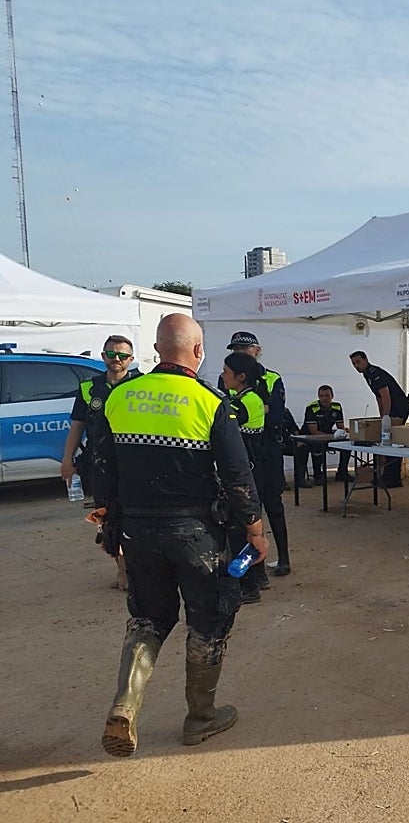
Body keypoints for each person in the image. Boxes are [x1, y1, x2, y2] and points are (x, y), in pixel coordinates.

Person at [89, 314, 267, 757]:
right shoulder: (210, 402)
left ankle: (125, 707)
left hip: (138, 531)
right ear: (199, 351)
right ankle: (200, 719)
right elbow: (237, 475)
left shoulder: (120, 397)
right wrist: (256, 530)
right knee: (208, 621)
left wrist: (108, 514)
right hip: (196, 533)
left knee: (148, 619)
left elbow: (101, 464)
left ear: (155, 349)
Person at [60, 334, 140, 590]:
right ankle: (123, 569)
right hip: (101, 463)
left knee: (139, 516)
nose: (116, 359)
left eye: (122, 355)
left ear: (131, 358)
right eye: (111, 354)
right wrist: (67, 460)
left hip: (136, 461)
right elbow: (77, 426)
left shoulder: (141, 385)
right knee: (108, 518)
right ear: (103, 356)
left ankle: (142, 569)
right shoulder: (89, 388)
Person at [219, 331, 292, 577]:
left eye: (244, 348)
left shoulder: (271, 378)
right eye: (235, 349)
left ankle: (283, 558)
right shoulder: (228, 376)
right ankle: (254, 571)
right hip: (242, 449)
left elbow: (276, 413)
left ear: (257, 351)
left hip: (268, 448)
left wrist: (254, 407)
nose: (239, 353)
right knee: (245, 509)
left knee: (273, 505)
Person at [221, 352, 274, 604]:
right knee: (246, 524)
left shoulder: (247, 401)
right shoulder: (243, 397)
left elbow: (223, 420)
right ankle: (259, 577)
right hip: (252, 467)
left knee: (243, 526)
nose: (222, 376)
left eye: (226, 372)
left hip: (249, 470)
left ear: (241, 377)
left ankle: (249, 585)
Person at [350, 350, 409, 486]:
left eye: (358, 362)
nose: (356, 366)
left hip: (399, 408)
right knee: (388, 441)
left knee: (393, 441)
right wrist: (382, 417)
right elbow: (378, 397)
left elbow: (386, 396)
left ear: (365, 360)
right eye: (354, 364)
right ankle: (388, 476)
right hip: (392, 409)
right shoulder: (367, 375)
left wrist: (386, 417)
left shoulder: (375, 373)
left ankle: (392, 478)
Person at [295, 385, 349, 487]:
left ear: (332, 396)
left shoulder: (337, 407)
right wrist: (332, 437)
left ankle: (342, 472)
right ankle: (318, 475)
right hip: (309, 438)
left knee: (347, 445)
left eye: (327, 395)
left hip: (327, 435)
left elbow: (340, 427)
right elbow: (314, 431)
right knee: (317, 445)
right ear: (318, 396)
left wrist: (343, 432)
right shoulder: (312, 407)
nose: (324, 398)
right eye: (322, 396)